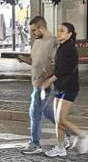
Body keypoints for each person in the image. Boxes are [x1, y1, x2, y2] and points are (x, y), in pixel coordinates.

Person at [15, 15, 71, 153]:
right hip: (36, 83)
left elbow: (56, 65)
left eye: (34, 30)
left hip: (45, 85)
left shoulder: (53, 42)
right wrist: (23, 59)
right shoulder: (37, 42)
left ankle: (35, 144)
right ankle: (69, 135)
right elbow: (34, 61)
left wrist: (45, 77)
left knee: (34, 112)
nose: (32, 33)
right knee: (47, 112)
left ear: (41, 28)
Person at [39, 22, 88, 157]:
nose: (59, 33)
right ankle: (60, 148)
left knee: (61, 119)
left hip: (69, 87)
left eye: (62, 31)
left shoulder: (69, 49)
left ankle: (82, 135)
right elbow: (58, 68)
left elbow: (63, 70)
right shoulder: (62, 47)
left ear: (69, 34)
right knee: (58, 120)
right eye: (58, 30)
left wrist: (48, 81)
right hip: (60, 87)